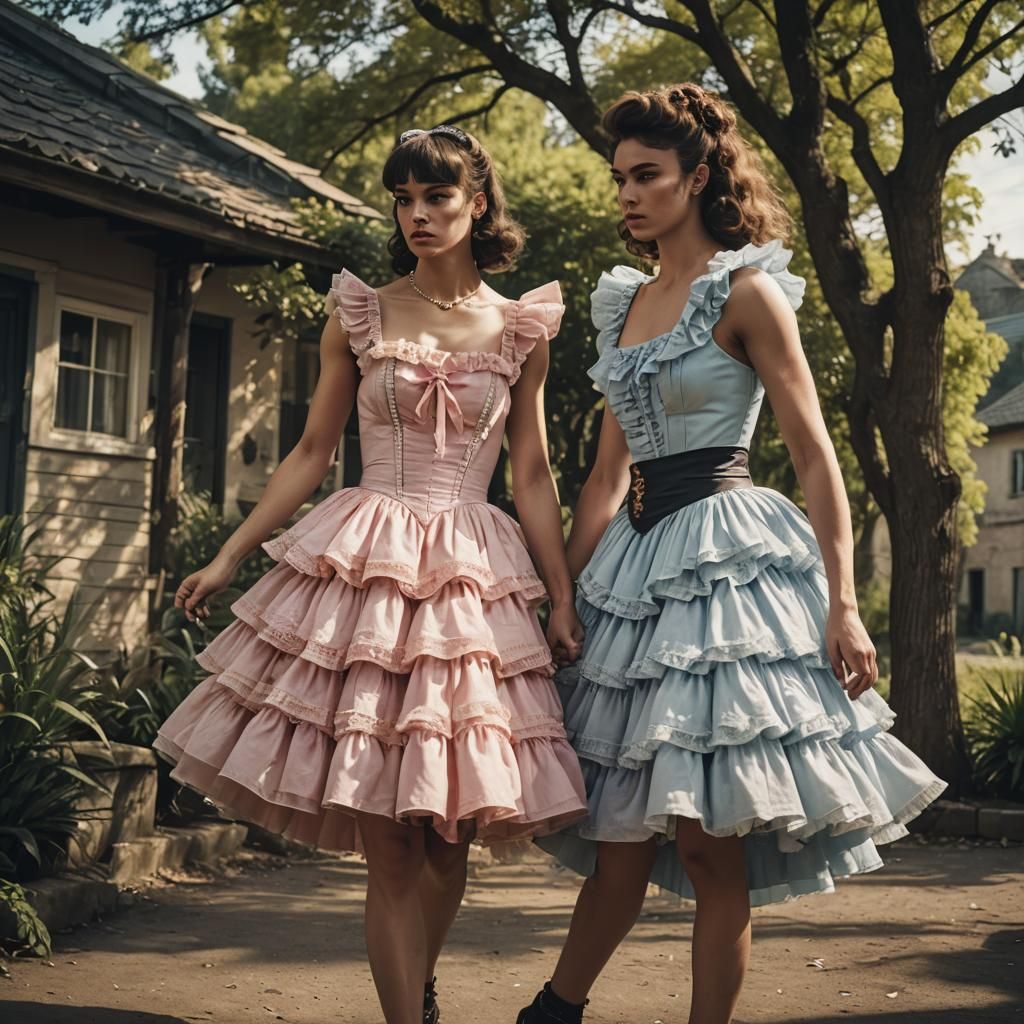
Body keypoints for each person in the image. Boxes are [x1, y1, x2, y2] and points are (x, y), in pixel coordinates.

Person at [519, 84, 946, 1024]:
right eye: (619, 177)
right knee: (620, 834)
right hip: (634, 565)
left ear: (697, 176)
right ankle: (551, 1011)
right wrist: (557, 595)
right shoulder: (625, 304)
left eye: (647, 176)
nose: (627, 194)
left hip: (726, 560)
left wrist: (843, 603)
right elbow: (598, 480)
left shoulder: (747, 291)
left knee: (712, 845)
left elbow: (814, 455)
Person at [154, 123, 587, 1024]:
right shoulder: (360, 310)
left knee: (448, 842)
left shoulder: (520, 327)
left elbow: (534, 473)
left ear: (477, 203)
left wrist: (562, 595)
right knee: (390, 847)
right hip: (365, 565)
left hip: (472, 580)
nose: (418, 214)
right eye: (404, 198)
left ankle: (416, 988)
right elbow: (314, 449)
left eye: (437, 196)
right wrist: (230, 554)